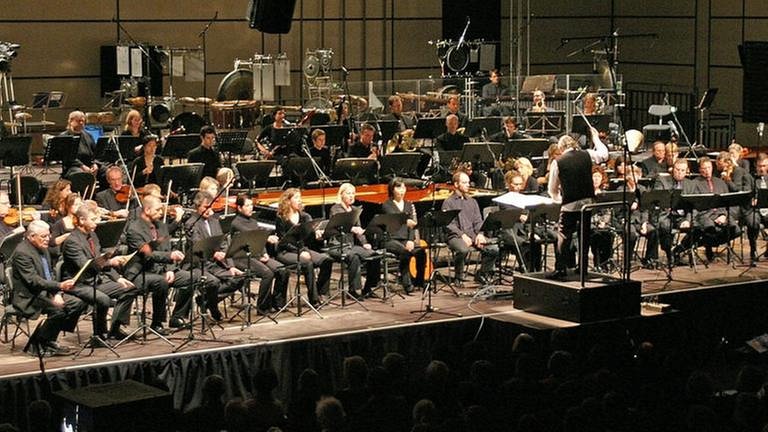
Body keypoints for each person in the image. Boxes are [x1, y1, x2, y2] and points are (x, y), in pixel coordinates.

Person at [61, 204, 137, 340]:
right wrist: (111, 262)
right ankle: (99, 335)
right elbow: (85, 265)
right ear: (82, 220)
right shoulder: (72, 241)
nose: (97, 222)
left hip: (97, 280)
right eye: (93, 219)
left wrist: (118, 278)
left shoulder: (93, 235)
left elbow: (98, 259)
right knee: (103, 300)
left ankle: (115, 328)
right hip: (79, 284)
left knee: (129, 289)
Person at [11, 220, 86, 356]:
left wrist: (56, 293)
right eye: (43, 236)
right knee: (58, 310)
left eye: (48, 235)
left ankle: (49, 339)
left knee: (77, 303)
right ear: (31, 236)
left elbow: (49, 274)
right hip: (29, 296)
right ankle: (36, 344)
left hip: (45, 292)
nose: (48, 239)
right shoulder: (22, 253)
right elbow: (33, 281)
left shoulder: (43, 249)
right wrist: (59, 286)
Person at [547, 128, 609, 277]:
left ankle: (561, 269)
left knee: (564, 236)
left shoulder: (558, 162)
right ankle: (583, 268)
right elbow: (604, 155)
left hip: (569, 204)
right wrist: (596, 138)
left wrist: (558, 200)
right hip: (587, 203)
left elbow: (552, 188)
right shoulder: (586, 154)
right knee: (584, 236)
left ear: (562, 148)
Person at [186, 191, 244, 321]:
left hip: (217, 264)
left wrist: (230, 266)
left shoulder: (214, 221)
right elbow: (198, 245)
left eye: (210, 207)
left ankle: (206, 299)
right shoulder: (192, 223)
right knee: (214, 283)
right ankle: (213, 307)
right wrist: (214, 253)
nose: (208, 210)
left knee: (240, 278)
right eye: (205, 207)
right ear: (197, 206)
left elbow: (223, 243)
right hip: (202, 264)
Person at [230, 194, 289, 314]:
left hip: (257, 255)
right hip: (242, 258)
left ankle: (277, 303)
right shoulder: (236, 223)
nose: (251, 208)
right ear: (239, 208)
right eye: (247, 205)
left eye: (251, 205)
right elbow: (252, 236)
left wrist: (265, 253)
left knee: (283, 270)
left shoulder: (253, 221)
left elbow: (259, 241)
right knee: (267, 273)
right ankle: (262, 307)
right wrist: (267, 238)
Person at [274, 188, 333, 305]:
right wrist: (300, 251)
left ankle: (321, 292)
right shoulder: (281, 218)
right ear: (288, 201)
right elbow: (284, 242)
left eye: (300, 198)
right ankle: (314, 299)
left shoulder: (305, 216)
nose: (299, 200)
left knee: (327, 260)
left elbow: (308, 239)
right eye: (296, 198)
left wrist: (316, 235)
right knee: (307, 263)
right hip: (285, 252)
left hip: (302, 249)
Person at [441, 170, 499, 284]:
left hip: (472, 234)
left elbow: (478, 221)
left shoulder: (472, 201)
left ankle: (482, 273)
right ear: (456, 184)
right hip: (455, 236)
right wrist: (462, 235)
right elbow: (449, 225)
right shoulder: (448, 202)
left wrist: (480, 234)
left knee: (493, 248)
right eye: (465, 182)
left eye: (468, 182)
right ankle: (459, 276)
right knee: (463, 249)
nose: (468, 185)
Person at [327, 183, 381, 299]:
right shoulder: (335, 209)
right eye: (348, 193)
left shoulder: (355, 210)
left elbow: (359, 230)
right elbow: (337, 226)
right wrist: (352, 228)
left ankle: (368, 288)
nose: (351, 196)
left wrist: (365, 243)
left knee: (375, 255)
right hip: (337, 246)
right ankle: (354, 290)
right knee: (354, 257)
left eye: (353, 193)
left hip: (351, 245)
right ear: (341, 195)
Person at [380, 178, 426, 293]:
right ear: (392, 189)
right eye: (398, 187)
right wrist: (406, 221)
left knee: (421, 252)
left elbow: (412, 225)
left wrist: (411, 239)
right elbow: (395, 218)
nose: (402, 190)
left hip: (405, 239)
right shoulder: (387, 205)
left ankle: (419, 281)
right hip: (391, 239)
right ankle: (407, 283)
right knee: (405, 253)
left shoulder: (408, 205)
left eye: (403, 187)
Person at [693, 156, 740, 262]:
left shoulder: (720, 182)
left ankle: (712, 242)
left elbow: (725, 201)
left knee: (735, 229)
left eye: (709, 167)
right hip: (705, 213)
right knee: (709, 227)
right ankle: (708, 248)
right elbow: (697, 204)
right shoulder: (695, 183)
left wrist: (723, 215)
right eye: (704, 168)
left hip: (721, 213)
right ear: (700, 169)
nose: (707, 171)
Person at [655, 158, 697, 265]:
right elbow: (658, 199)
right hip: (667, 215)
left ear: (686, 171)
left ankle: (679, 249)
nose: (679, 173)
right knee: (664, 226)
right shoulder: (662, 180)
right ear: (673, 169)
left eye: (683, 170)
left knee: (698, 226)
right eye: (677, 170)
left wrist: (687, 220)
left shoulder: (691, 184)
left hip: (682, 216)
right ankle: (669, 253)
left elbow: (694, 206)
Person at [60, 110, 101, 178]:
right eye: (78, 121)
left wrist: (95, 164)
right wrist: (82, 166)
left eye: (83, 121)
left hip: (90, 165)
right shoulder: (64, 136)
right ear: (71, 121)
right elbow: (68, 158)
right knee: (82, 175)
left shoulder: (88, 135)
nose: (81, 123)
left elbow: (95, 153)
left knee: (108, 172)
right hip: (73, 167)